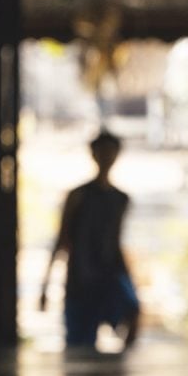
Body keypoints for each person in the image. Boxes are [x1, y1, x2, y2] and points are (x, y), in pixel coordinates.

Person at [39, 131, 140, 349]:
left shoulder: (121, 199)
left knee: (132, 309)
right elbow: (62, 238)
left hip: (109, 272)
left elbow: (115, 240)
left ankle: (117, 373)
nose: (106, 157)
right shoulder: (78, 195)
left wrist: (126, 276)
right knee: (80, 342)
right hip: (81, 275)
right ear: (93, 154)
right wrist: (46, 284)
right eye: (102, 152)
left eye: (110, 152)